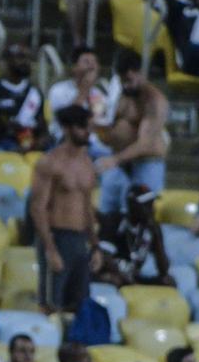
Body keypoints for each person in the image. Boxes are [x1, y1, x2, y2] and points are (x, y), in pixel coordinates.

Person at [32, 105, 98, 313]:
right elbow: (38, 208)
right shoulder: (50, 162)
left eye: (89, 127)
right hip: (57, 236)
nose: (87, 132)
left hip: (80, 240)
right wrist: (50, 248)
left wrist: (95, 246)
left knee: (79, 305)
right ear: (67, 129)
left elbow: (88, 208)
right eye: (82, 127)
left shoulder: (88, 163)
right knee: (52, 304)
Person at [95, 49, 169, 222]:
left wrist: (115, 160)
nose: (126, 85)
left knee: (138, 216)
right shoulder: (123, 94)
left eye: (129, 80)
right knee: (107, 214)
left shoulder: (154, 101)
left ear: (140, 73)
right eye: (122, 81)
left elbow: (145, 144)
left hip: (146, 164)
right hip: (119, 162)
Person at [94, 184, 172, 287]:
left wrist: (157, 238)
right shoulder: (114, 220)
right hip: (113, 273)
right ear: (133, 206)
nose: (152, 210)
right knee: (114, 279)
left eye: (152, 204)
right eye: (147, 205)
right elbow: (104, 256)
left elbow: (164, 270)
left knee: (169, 282)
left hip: (132, 277)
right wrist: (124, 277)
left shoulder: (151, 227)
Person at [47, 46, 118, 150]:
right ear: (74, 67)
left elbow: (100, 122)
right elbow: (67, 121)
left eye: (95, 62)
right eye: (87, 62)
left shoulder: (99, 94)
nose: (92, 66)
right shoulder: (58, 90)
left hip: (94, 144)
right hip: (66, 144)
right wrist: (85, 89)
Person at [0, 43, 45, 152]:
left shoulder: (35, 92)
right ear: (6, 61)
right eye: (21, 57)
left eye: (29, 58)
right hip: (2, 144)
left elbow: (43, 128)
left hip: (31, 145)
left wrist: (39, 143)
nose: (26, 62)